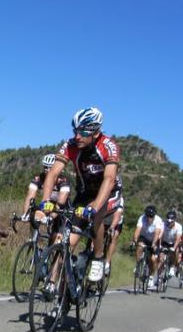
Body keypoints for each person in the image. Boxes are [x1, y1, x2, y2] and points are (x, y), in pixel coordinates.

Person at [40, 107, 122, 282]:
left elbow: (109, 178)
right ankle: (54, 283)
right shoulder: (71, 145)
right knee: (66, 241)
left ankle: (99, 257)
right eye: (75, 130)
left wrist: (95, 206)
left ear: (96, 132)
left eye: (83, 132)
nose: (77, 136)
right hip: (84, 193)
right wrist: (45, 201)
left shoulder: (108, 146)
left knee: (96, 219)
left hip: (106, 192)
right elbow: (53, 173)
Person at [21, 154, 71, 223]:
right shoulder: (39, 178)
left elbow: (61, 203)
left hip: (62, 208)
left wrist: (51, 217)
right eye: (45, 167)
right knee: (34, 216)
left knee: (57, 232)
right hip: (47, 205)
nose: (47, 170)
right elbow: (30, 197)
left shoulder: (63, 180)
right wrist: (25, 214)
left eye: (50, 167)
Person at [131, 205, 164, 289]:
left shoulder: (158, 220)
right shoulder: (142, 218)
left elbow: (157, 234)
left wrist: (153, 243)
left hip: (154, 239)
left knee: (153, 259)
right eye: (147, 216)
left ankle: (151, 277)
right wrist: (134, 240)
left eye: (151, 216)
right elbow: (138, 230)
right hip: (144, 237)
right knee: (139, 246)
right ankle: (138, 265)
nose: (149, 218)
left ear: (154, 216)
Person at [103, 197, 124, 276]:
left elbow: (118, 215)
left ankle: (107, 262)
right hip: (103, 220)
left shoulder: (119, 198)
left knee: (114, 237)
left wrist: (112, 227)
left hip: (115, 222)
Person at [160, 210, 183, 277]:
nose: (169, 223)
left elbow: (178, 238)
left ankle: (172, 267)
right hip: (165, 242)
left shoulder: (179, 226)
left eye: (171, 221)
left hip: (174, 243)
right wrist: (160, 245)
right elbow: (160, 235)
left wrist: (174, 247)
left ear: (174, 220)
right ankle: (159, 278)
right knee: (161, 259)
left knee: (175, 252)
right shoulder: (162, 224)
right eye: (167, 221)